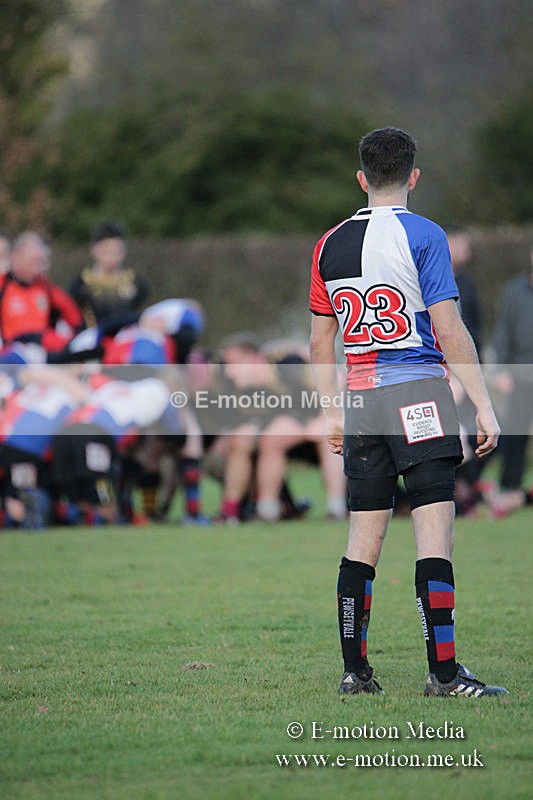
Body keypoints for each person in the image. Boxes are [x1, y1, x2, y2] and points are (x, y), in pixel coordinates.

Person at [309, 126, 508, 697]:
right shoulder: (425, 234)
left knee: (362, 540)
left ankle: (355, 673)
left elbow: (322, 343)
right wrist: (484, 406)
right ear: (413, 177)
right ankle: (443, 675)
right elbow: (448, 328)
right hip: (420, 393)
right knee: (433, 537)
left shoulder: (329, 243)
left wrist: (332, 413)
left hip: (363, 402)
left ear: (361, 178)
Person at [489, 245, 533, 516]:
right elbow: (503, 331)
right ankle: (509, 489)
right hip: (519, 374)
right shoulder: (515, 291)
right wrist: (500, 369)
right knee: (513, 434)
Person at [0, 232, 84, 357]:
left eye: (40, 262)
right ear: (15, 257)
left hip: (44, 353)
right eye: (32, 262)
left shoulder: (46, 288)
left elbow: (76, 321)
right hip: (13, 356)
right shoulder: (3, 286)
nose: (37, 269)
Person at [69, 221, 150, 328]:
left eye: (116, 251)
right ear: (93, 250)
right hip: (93, 338)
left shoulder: (135, 281)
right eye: (106, 251)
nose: (111, 256)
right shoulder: (82, 284)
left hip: (125, 336)